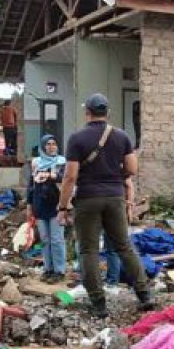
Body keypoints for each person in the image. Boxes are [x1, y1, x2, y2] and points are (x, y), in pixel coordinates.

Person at [56, 93, 155, 318]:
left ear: (87, 112)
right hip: (114, 197)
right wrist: (113, 178)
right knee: (124, 246)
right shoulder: (121, 136)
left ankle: (98, 304)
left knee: (88, 250)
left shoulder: (77, 138)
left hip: (88, 199)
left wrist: (63, 207)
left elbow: (70, 176)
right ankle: (144, 294)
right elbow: (131, 168)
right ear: (107, 113)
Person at [27, 135, 68, 282]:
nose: (51, 147)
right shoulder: (36, 163)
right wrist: (29, 205)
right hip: (40, 206)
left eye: (54, 144)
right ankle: (48, 269)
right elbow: (31, 186)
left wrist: (50, 175)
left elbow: (65, 178)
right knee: (44, 239)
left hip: (57, 205)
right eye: (48, 144)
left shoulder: (61, 162)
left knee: (56, 239)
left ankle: (59, 271)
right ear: (43, 147)